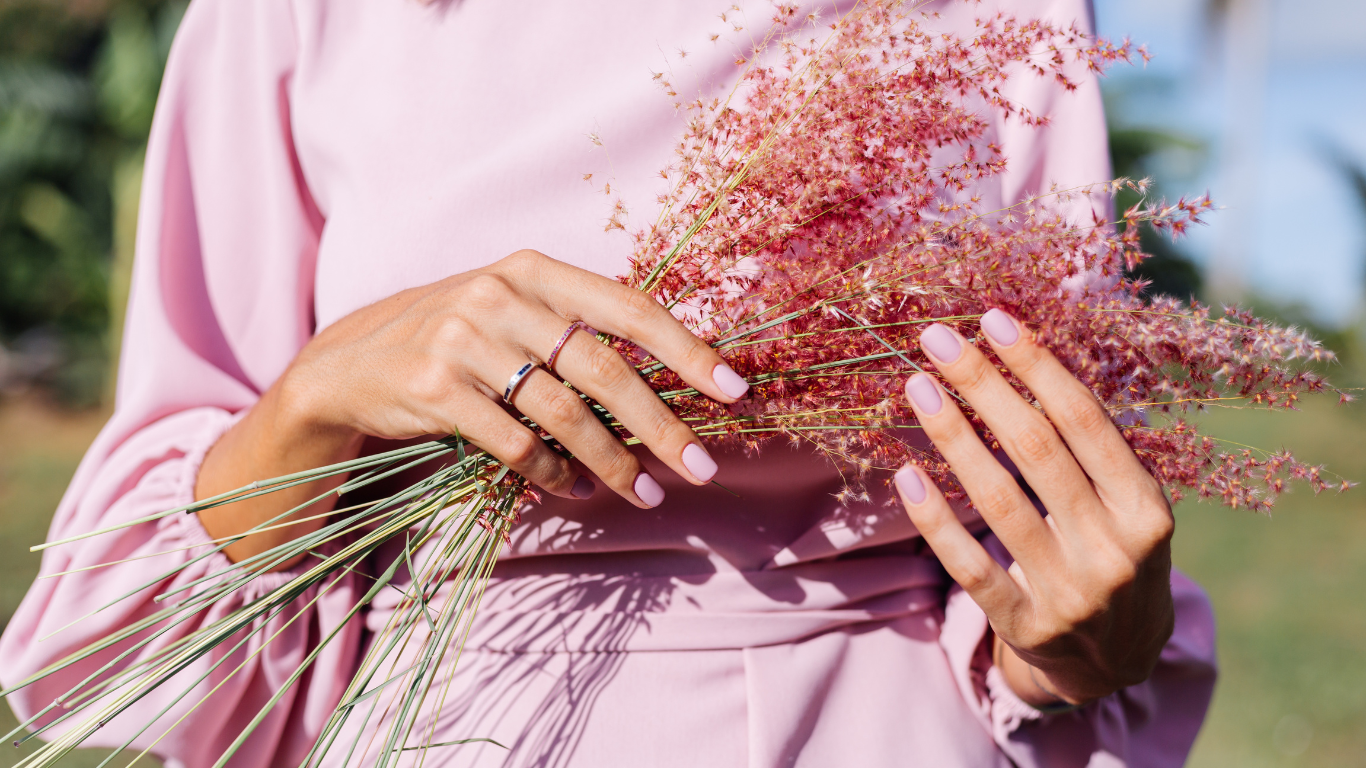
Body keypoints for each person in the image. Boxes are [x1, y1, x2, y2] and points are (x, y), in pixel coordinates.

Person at [0, 0, 1217, 766]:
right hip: (456, 725)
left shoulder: (1000, 15)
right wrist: (321, 393)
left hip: (881, 726)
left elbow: (1053, 531)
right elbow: (150, 595)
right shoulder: (301, 16)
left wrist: (1070, 647)